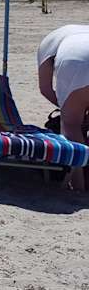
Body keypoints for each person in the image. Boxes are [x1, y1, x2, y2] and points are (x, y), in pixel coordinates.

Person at [46, 31, 89, 191]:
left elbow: (45, 89)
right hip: (78, 60)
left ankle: (78, 184)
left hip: (76, 64)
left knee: (71, 126)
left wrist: (69, 109)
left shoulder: (49, 43)